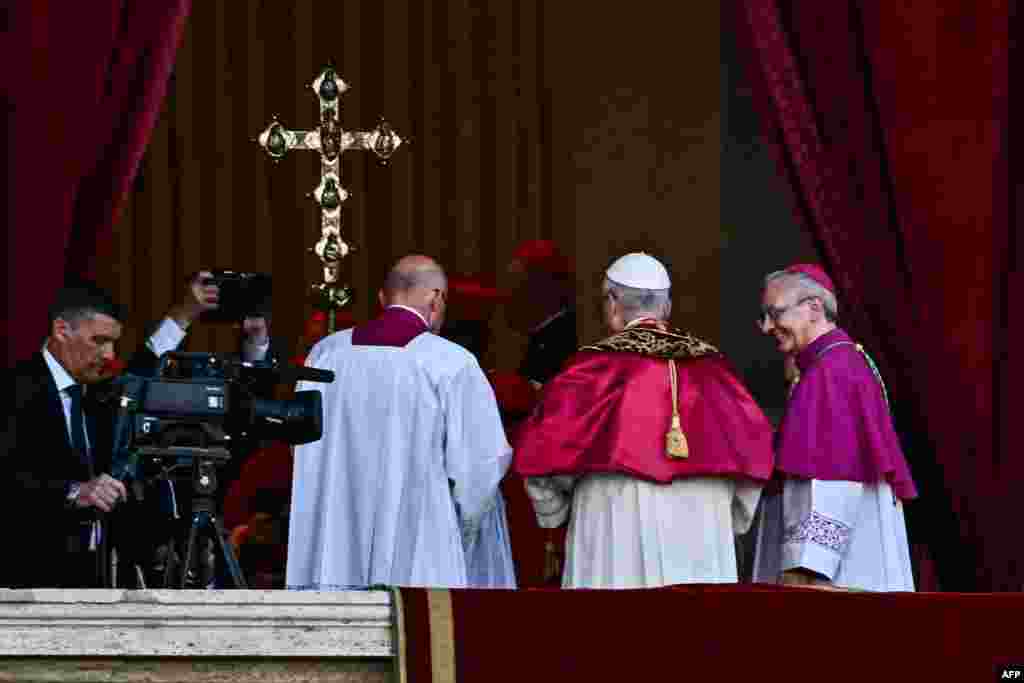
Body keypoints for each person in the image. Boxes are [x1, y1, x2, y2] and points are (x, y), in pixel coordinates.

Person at [514, 253, 775, 588]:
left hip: (613, 516)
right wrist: (731, 517)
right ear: (667, 306)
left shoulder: (589, 370)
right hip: (702, 521)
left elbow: (544, 455)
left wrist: (553, 511)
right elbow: (754, 454)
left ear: (612, 304)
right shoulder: (716, 371)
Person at [286, 254, 516, 589]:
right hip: (418, 552)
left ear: (383, 298)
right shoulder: (451, 362)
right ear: (436, 299)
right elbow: (480, 469)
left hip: (333, 548)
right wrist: (458, 537)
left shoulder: (324, 354)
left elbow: (300, 444)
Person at [2, 275, 218, 589]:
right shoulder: (12, 390)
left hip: (93, 582)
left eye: (113, 343)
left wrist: (185, 314)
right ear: (61, 330)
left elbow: (141, 373)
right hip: (23, 583)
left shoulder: (94, 393)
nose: (110, 355)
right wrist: (74, 492)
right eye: (99, 341)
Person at [751, 264, 917, 591]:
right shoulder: (837, 361)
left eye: (775, 313)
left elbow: (827, 477)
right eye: (763, 316)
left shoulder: (830, 373)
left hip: (831, 575)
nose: (767, 327)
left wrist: (806, 567)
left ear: (814, 308)